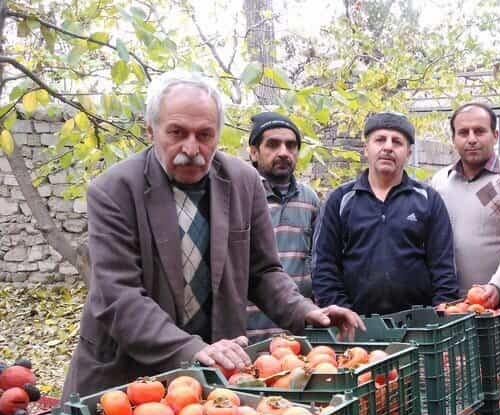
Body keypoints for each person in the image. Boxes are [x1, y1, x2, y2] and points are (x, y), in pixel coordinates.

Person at [63, 71, 364, 398]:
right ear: (150, 130)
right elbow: (119, 296)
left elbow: (262, 272)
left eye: (205, 135)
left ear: (219, 135)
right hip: (126, 380)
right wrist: (189, 347)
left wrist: (304, 310)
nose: (191, 148)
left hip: (214, 377)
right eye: (177, 132)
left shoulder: (243, 183)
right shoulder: (114, 190)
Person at [312, 112, 458, 315]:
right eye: (380, 140)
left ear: (408, 153)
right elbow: (324, 265)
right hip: (353, 325)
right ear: (366, 149)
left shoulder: (427, 199)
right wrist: (341, 311)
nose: (388, 147)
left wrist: (438, 315)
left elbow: (443, 268)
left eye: (397, 142)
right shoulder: (340, 200)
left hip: (420, 326)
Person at [431, 103, 500, 306]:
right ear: (453, 139)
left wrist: (498, 285)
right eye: (463, 132)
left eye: (479, 131)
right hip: (454, 302)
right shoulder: (440, 181)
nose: (471, 139)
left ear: (495, 135)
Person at [244, 112, 321, 342]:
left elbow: (316, 262)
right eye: (273, 145)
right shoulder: (240, 197)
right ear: (254, 152)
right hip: (248, 336)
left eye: (291, 145)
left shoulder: (309, 200)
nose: (284, 152)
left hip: (297, 335)